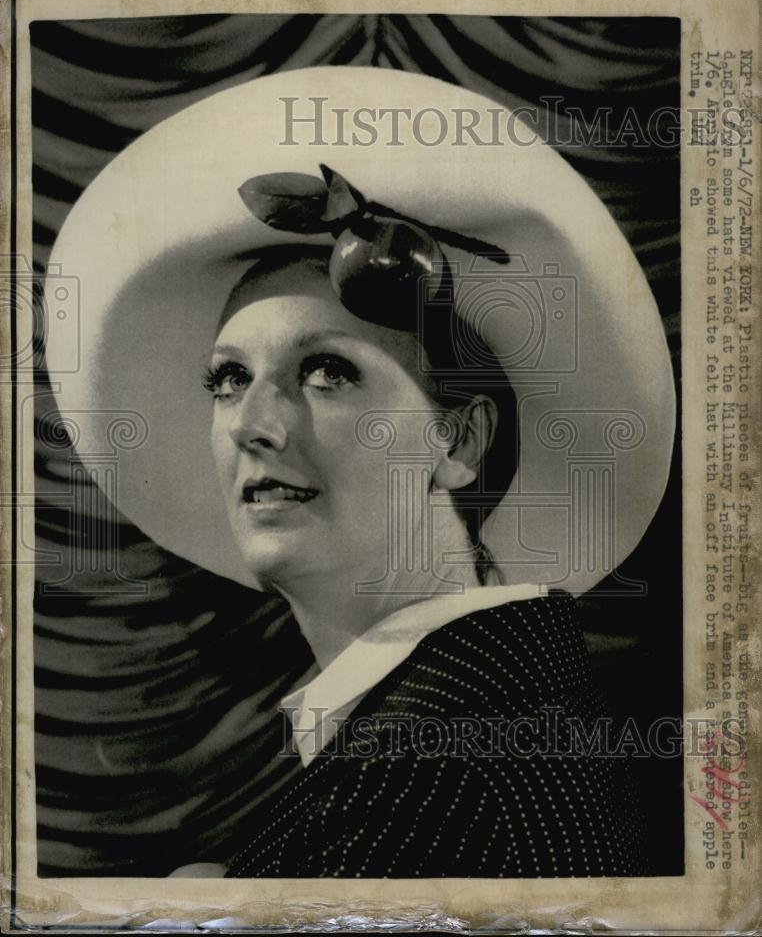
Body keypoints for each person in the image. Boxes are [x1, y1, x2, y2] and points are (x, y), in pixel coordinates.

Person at [44, 67, 675, 879]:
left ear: (458, 442)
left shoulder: (419, 780)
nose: (252, 424)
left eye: (327, 372)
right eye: (228, 378)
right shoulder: (501, 699)